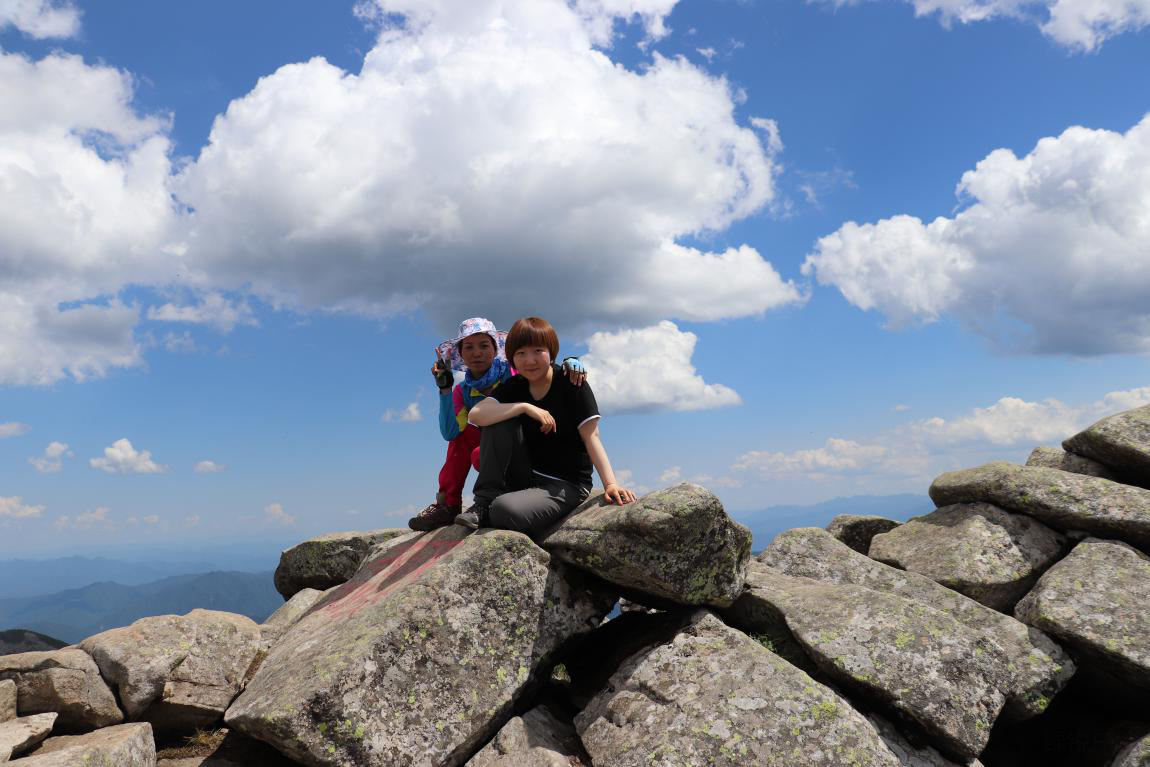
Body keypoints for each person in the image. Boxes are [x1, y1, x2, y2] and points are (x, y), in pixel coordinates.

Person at [459, 316, 636, 535]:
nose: (529, 360)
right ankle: (482, 504)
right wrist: (523, 407)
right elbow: (476, 415)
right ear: (512, 358)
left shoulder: (571, 382)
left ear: (551, 351)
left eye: (537, 351)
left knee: (505, 509)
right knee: (498, 420)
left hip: (566, 484)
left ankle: (500, 508)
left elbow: (592, 436)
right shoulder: (515, 386)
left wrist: (610, 484)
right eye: (520, 353)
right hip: (527, 475)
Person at [407, 317, 585, 531]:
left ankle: (492, 498)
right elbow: (450, 433)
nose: (477, 353)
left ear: (495, 348)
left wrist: (569, 363)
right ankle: (448, 505)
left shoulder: (513, 373)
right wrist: (445, 390)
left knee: (491, 429)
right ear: (461, 354)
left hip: (528, 453)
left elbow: (540, 369)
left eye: (484, 345)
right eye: (469, 347)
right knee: (463, 437)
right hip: (494, 455)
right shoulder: (462, 391)